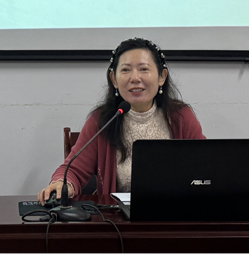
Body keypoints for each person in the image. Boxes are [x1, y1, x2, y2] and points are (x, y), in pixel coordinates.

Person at [37, 37, 205, 202]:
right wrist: (62, 184)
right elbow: (73, 170)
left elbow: (205, 166)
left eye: (144, 69)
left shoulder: (180, 116)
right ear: (114, 79)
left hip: (174, 213)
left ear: (162, 76)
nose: (135, 78)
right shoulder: (102, 121)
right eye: (125, 70)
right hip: (119, 217)